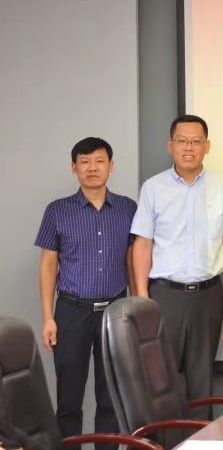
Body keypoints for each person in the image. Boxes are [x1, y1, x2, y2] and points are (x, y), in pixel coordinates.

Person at [130, 115, 223, 416]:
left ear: (207, 146)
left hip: (209, 294)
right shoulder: (153, 188)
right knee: (160, 378)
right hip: (165, 295)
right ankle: (163, 438)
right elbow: (143, 244)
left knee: (202, 379)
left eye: (195, 141)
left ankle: (199, 438)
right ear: (170, 145)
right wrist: (142, 297)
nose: (188, 147)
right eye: (182, 141)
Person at [35, 137, 137, 449]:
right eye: (85, 162)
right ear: (74, 167)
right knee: (69, 399)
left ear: (111, 166)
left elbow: (134, 260)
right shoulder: (57, 211)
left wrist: (135, 309)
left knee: (111, 397)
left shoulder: (128, 209)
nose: (92, 167)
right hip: (72, 311)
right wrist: (48, 317)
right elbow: (48, 265)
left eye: (99, 161)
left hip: (115, 312)